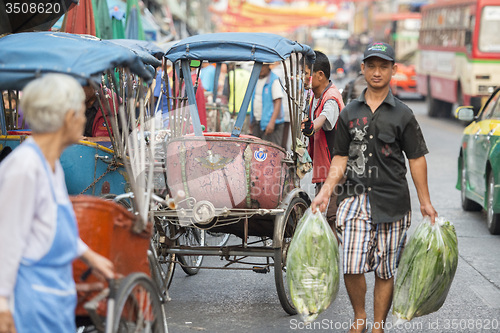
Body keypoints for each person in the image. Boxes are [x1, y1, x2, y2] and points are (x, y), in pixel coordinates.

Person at [311, 42, 437, 333]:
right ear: (364, 69)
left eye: (383, 66)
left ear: (393, 70)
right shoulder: (349, 113)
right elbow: (340, 157)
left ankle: (378, 325)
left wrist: (425, 201)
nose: (377, 72)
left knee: (385, 269)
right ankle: (359, 316)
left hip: (393, 202)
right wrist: (326, 190)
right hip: (354, 199)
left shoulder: (403, 114)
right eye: (372, 66)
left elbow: (416, 158)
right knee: (352, 265)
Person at [0, 74, 115, 333]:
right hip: (30, 306)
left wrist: (91, 257)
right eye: (80, 112)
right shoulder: (24, 168)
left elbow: (52, 226)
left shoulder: (51, 165)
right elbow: (5, 240)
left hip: (55, 302)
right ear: (67, 117)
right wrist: (2, 304)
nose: (85, 119)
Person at [301, 50, 345, 229]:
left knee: (330, 220)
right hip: (322, 169)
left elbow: (325, 117)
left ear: (319, 75)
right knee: (321, 218)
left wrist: (312, 127)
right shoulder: (313, 96)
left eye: (305, 73)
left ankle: (334, 256)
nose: (303, 78)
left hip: (334, 171)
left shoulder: (331, 97)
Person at [250, 63, 285, 147]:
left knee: (271, 150)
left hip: (271, 124)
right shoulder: (255, 79)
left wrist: (272, 122)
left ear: (268, 66)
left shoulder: (274, 80)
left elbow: (278, 101)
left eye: (263, 66)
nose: (261, 69)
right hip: (257, 122)